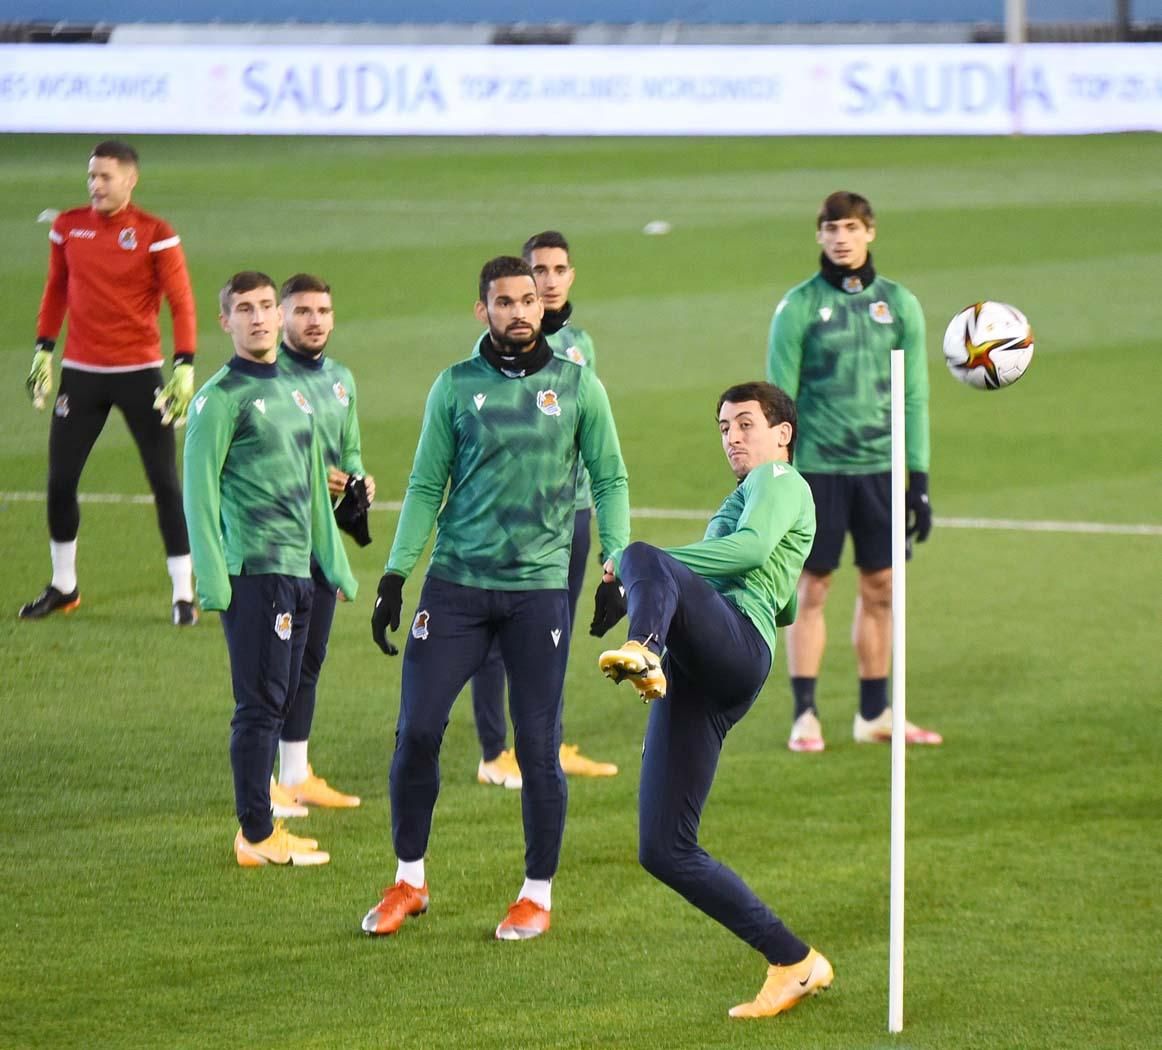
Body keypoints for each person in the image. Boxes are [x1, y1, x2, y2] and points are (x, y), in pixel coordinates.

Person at [364, 255, 630, 940]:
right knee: (416, 732)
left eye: (528, 300)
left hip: (537, 594)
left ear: (542, 306)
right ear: (482, 309)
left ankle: (536, 894)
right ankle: (408, 881)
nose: (519, 311)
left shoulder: (578, 387)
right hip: (453, 586)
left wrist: (615, 564)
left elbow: (610, 480)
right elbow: (426, 486)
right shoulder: (454, 387)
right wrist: (396, 576)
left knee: (538, 747)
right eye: (503, 301)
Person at [597, 381, 832, 1019]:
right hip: (705, 670)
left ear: (782, 433)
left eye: (746, 424)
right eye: (724, 427)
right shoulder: (751, 495)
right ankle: (794, 961)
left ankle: (643, 647)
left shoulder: (779, 481)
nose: (732, 436)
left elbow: (752, 553)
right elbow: (783, 600)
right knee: (664, 849)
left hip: (731, 649)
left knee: (643, 552)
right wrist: (652, 580)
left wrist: (642, 570)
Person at [183, 271, 358, 868]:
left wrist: (334, 564)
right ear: (224, 321)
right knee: (258, 706)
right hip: (253, 572)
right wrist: (212, 583)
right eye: (245, 309)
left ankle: (265, 823)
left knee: (280, 697)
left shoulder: (296, 389)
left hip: (298, 572)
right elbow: (198, 495)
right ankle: (256, 835)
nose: (258, 318)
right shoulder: (217, 400)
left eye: (264, 307)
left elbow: (314, 488)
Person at [766, 191, 941, 753]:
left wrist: (918, 477)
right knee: (812, 586)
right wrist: (779, 477)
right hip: (817, 471)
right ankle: (805, 714)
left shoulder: (900, 305)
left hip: (880, 472)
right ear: (818, 236)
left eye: (850, 227)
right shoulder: (797, 307)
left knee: (882, 587)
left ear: (870, 232)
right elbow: (778, 401)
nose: (840, 237)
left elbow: (913, 394)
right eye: (830, 228)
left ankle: (873, 713)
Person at [20, 139, 199, 625]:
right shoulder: (68, 226)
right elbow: (56, 288)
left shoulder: (155, 233)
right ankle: (64, 585)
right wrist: (43, 348)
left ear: (130, 180)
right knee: (60, 482)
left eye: (105, 177)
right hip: (82, 376)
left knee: (164, 482)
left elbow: (181, 302)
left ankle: (183, 593)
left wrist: (184, 364)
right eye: (91, 177)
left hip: (140, 376)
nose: (95, 185)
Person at [471, 231, 618, 790]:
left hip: (571, 510)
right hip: (510, 516)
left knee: (553, 627)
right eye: (539, 271)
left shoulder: (581, 345)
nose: (549, 280)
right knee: (493, 633)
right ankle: (493, 752)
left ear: (570, 275)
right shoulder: (494, 352)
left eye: (558, 269)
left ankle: (547, 743)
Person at [268, 273, 373, 817]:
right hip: (275, 544)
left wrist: (357, 479)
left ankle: (295, 774)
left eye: (323, 311)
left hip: (322, 543)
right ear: (281, 316)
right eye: (303, 310)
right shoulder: (264, 381)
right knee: (273, 666)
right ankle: (264, 788)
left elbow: (348, 450)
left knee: (309, 661)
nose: (315, 320)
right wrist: (316, 480)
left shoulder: (340, 379)